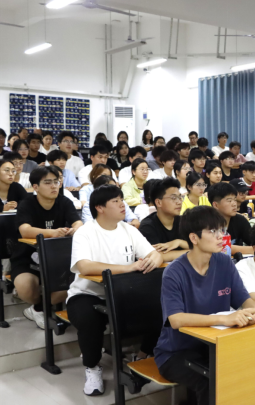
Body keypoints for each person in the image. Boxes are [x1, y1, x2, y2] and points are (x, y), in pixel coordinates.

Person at [154, 206, 255, 403]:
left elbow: (244, 299)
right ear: (194, 238)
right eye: (213, 231)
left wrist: (253, 310)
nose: (221, 236)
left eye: (221, 230)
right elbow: (176, 319)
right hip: (176, 352)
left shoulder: (224, 262)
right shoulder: (174, 272)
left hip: (214, 344)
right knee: (210, 380)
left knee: (249, 367)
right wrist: (224, 319)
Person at [67, 184, 162, 396]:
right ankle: (92, 367)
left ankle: (142, 356)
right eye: (116, 201)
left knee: (161, 305)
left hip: (124, 293)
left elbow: (154, 254)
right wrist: (127, 268)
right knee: (89, 319)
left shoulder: (129, 229)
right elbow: (84, 266)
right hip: (88, 294)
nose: (122, 205)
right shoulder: (85, 232)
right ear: (99, 207)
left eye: (122, 199)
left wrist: (152, 261)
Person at [11, 166, 82, 329]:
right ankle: (39, 306)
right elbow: (25, 230)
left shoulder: (64, 202)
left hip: (57, 258)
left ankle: (38, 309)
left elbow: (78, 222)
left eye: (56, 182)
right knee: (26, 288)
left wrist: (75, 229)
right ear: (35, 187)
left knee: (72, 283)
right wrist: (52, 233)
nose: (54, 186)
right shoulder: (26, 204)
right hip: (27, 257)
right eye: (48, 182)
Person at [139, 178, 189, 261]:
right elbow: (156, 256)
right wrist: (191, 253)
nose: (179, 202)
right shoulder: (147, 226)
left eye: (180, 197)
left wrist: (179, 242)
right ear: (158, 202)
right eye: (173, 198)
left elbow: (199, 245)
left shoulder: (184, 221)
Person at [208, 182, 253, 255]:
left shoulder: (240, 220)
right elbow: (215, 248)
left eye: (235, 200)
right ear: (215, 205)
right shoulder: (206, 222)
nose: (234, 204)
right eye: (229, 201)